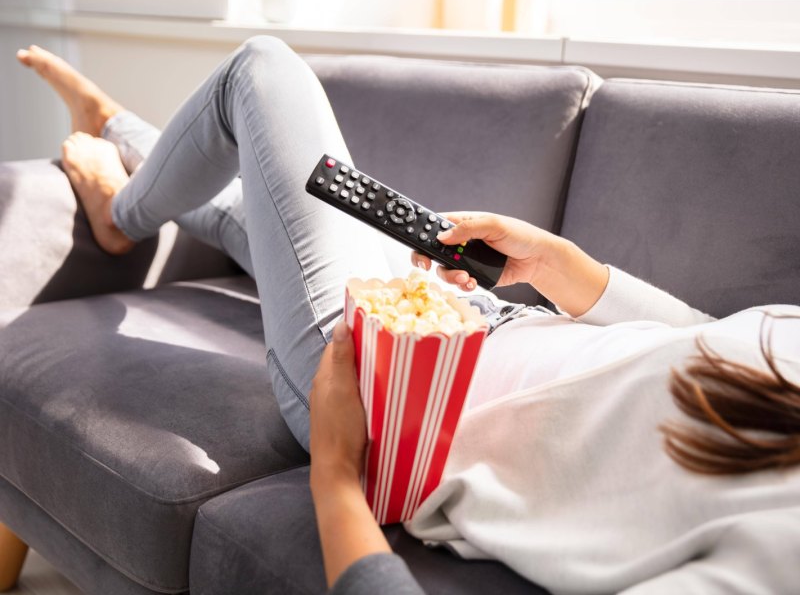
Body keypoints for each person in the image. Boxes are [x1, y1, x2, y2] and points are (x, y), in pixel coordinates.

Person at [13, 40, 800, 595]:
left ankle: (121, 210)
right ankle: (122, 135)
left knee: (260, 70)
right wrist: (565, 269)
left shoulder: (775, 554)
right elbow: (708, 338)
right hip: (484, 315)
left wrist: (336, 472)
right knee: (267, 216)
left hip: (399, 401)